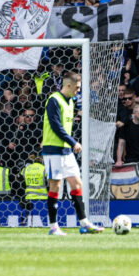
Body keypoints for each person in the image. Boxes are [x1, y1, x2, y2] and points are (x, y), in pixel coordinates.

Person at [41, 72, 103, 235]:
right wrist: (73, 142)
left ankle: (84, 223)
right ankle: (54, 227)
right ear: (68, 85)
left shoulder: (70, 102)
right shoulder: (54, 100)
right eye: (77, 88)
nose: (78, 91)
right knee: (56, 186)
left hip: (66, 151)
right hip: (53, 150)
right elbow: (55, 126)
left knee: (77, 184)